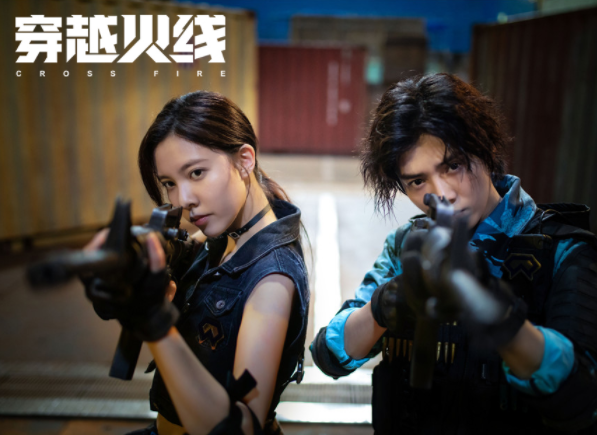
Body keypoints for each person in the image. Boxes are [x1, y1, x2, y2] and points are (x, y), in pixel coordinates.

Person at [310, 73, 597, 434]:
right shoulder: (406, 245)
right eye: (418, 181)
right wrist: (385, 304)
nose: (442, 193)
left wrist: (501, 320)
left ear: (485, 147)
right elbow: (330, 354)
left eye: (453, 165)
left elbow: (582, 398)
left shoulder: (562, 252)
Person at [84, 91, 310, 435]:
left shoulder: (272, 280)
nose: (183, 199)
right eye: (169, 184)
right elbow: (172, 252)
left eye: (197, 173)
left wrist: (156, 323)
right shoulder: (223, 236)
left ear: (244, 160)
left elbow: (242, 427)